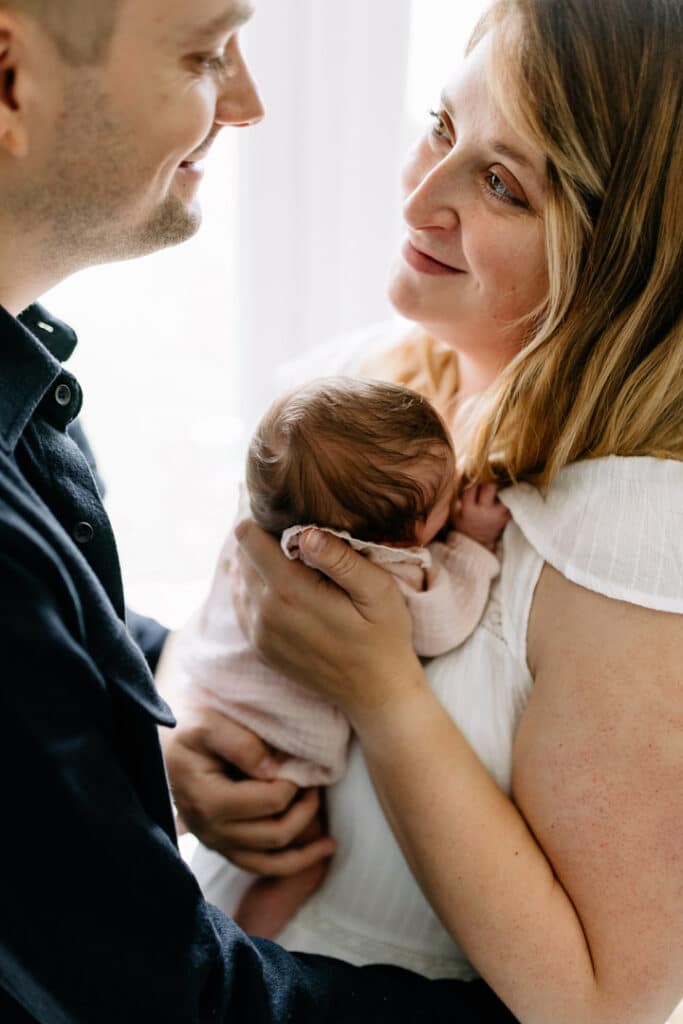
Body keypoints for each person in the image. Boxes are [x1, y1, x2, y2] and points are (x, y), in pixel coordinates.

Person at [0, 0, 520, 1021]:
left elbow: (42, 657)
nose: (248, 102)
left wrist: (159, 719)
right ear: (8, 78)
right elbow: (166, 1001)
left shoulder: (28, 379)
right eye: (206, 54)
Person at [164, 0, 683, 1020]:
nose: (417, 202)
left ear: (624, 256)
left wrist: (381, 693)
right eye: (442, 128)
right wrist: (188, 743)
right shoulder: (366, 384)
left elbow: (601, 1005)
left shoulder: (631, 532)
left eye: (500, 183)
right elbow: (228, 617)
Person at [164, 376, 507, 938]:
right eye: (448, 497)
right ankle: (235, 954)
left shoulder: (260, 520)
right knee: (302, 862)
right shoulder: (377, 570)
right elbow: (442, 624)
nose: (461, 485)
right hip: (270, 746)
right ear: (403, 540)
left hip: (211, 692)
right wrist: (472, 543)